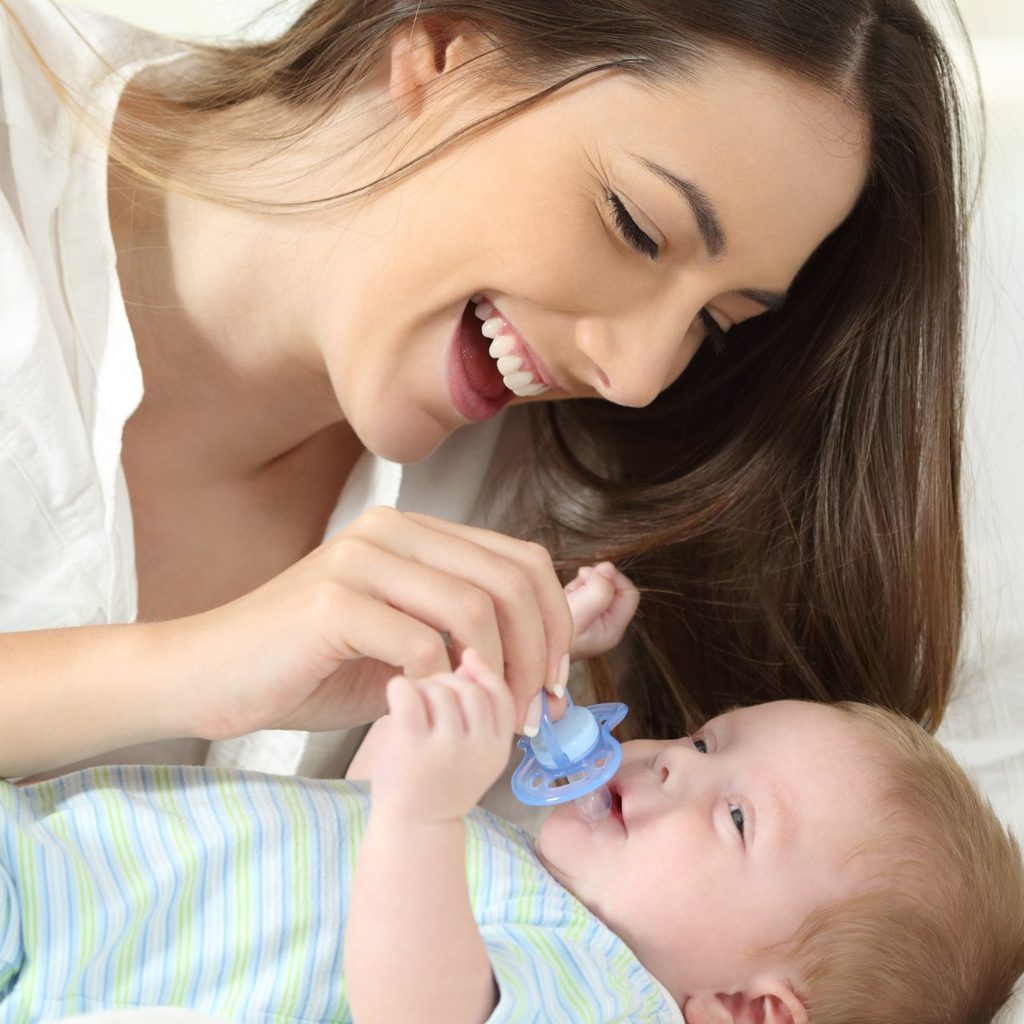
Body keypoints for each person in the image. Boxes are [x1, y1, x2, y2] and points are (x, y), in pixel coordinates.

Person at [0, 0, 973, 788]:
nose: (636, 377)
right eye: (635, 228)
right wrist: (188, 672)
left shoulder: (563, 533)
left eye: (715, 322)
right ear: (439, 46)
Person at [1, 648, 1021, 1022]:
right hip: (57, 865)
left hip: (64, 950)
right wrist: (507, 662)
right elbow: (366, 832)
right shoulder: (537, 908)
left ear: (749, 1012)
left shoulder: (613, 1000)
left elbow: (418, 1011)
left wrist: (427, 811)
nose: (676, 759)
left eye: (736, 814)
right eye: (711, 739)